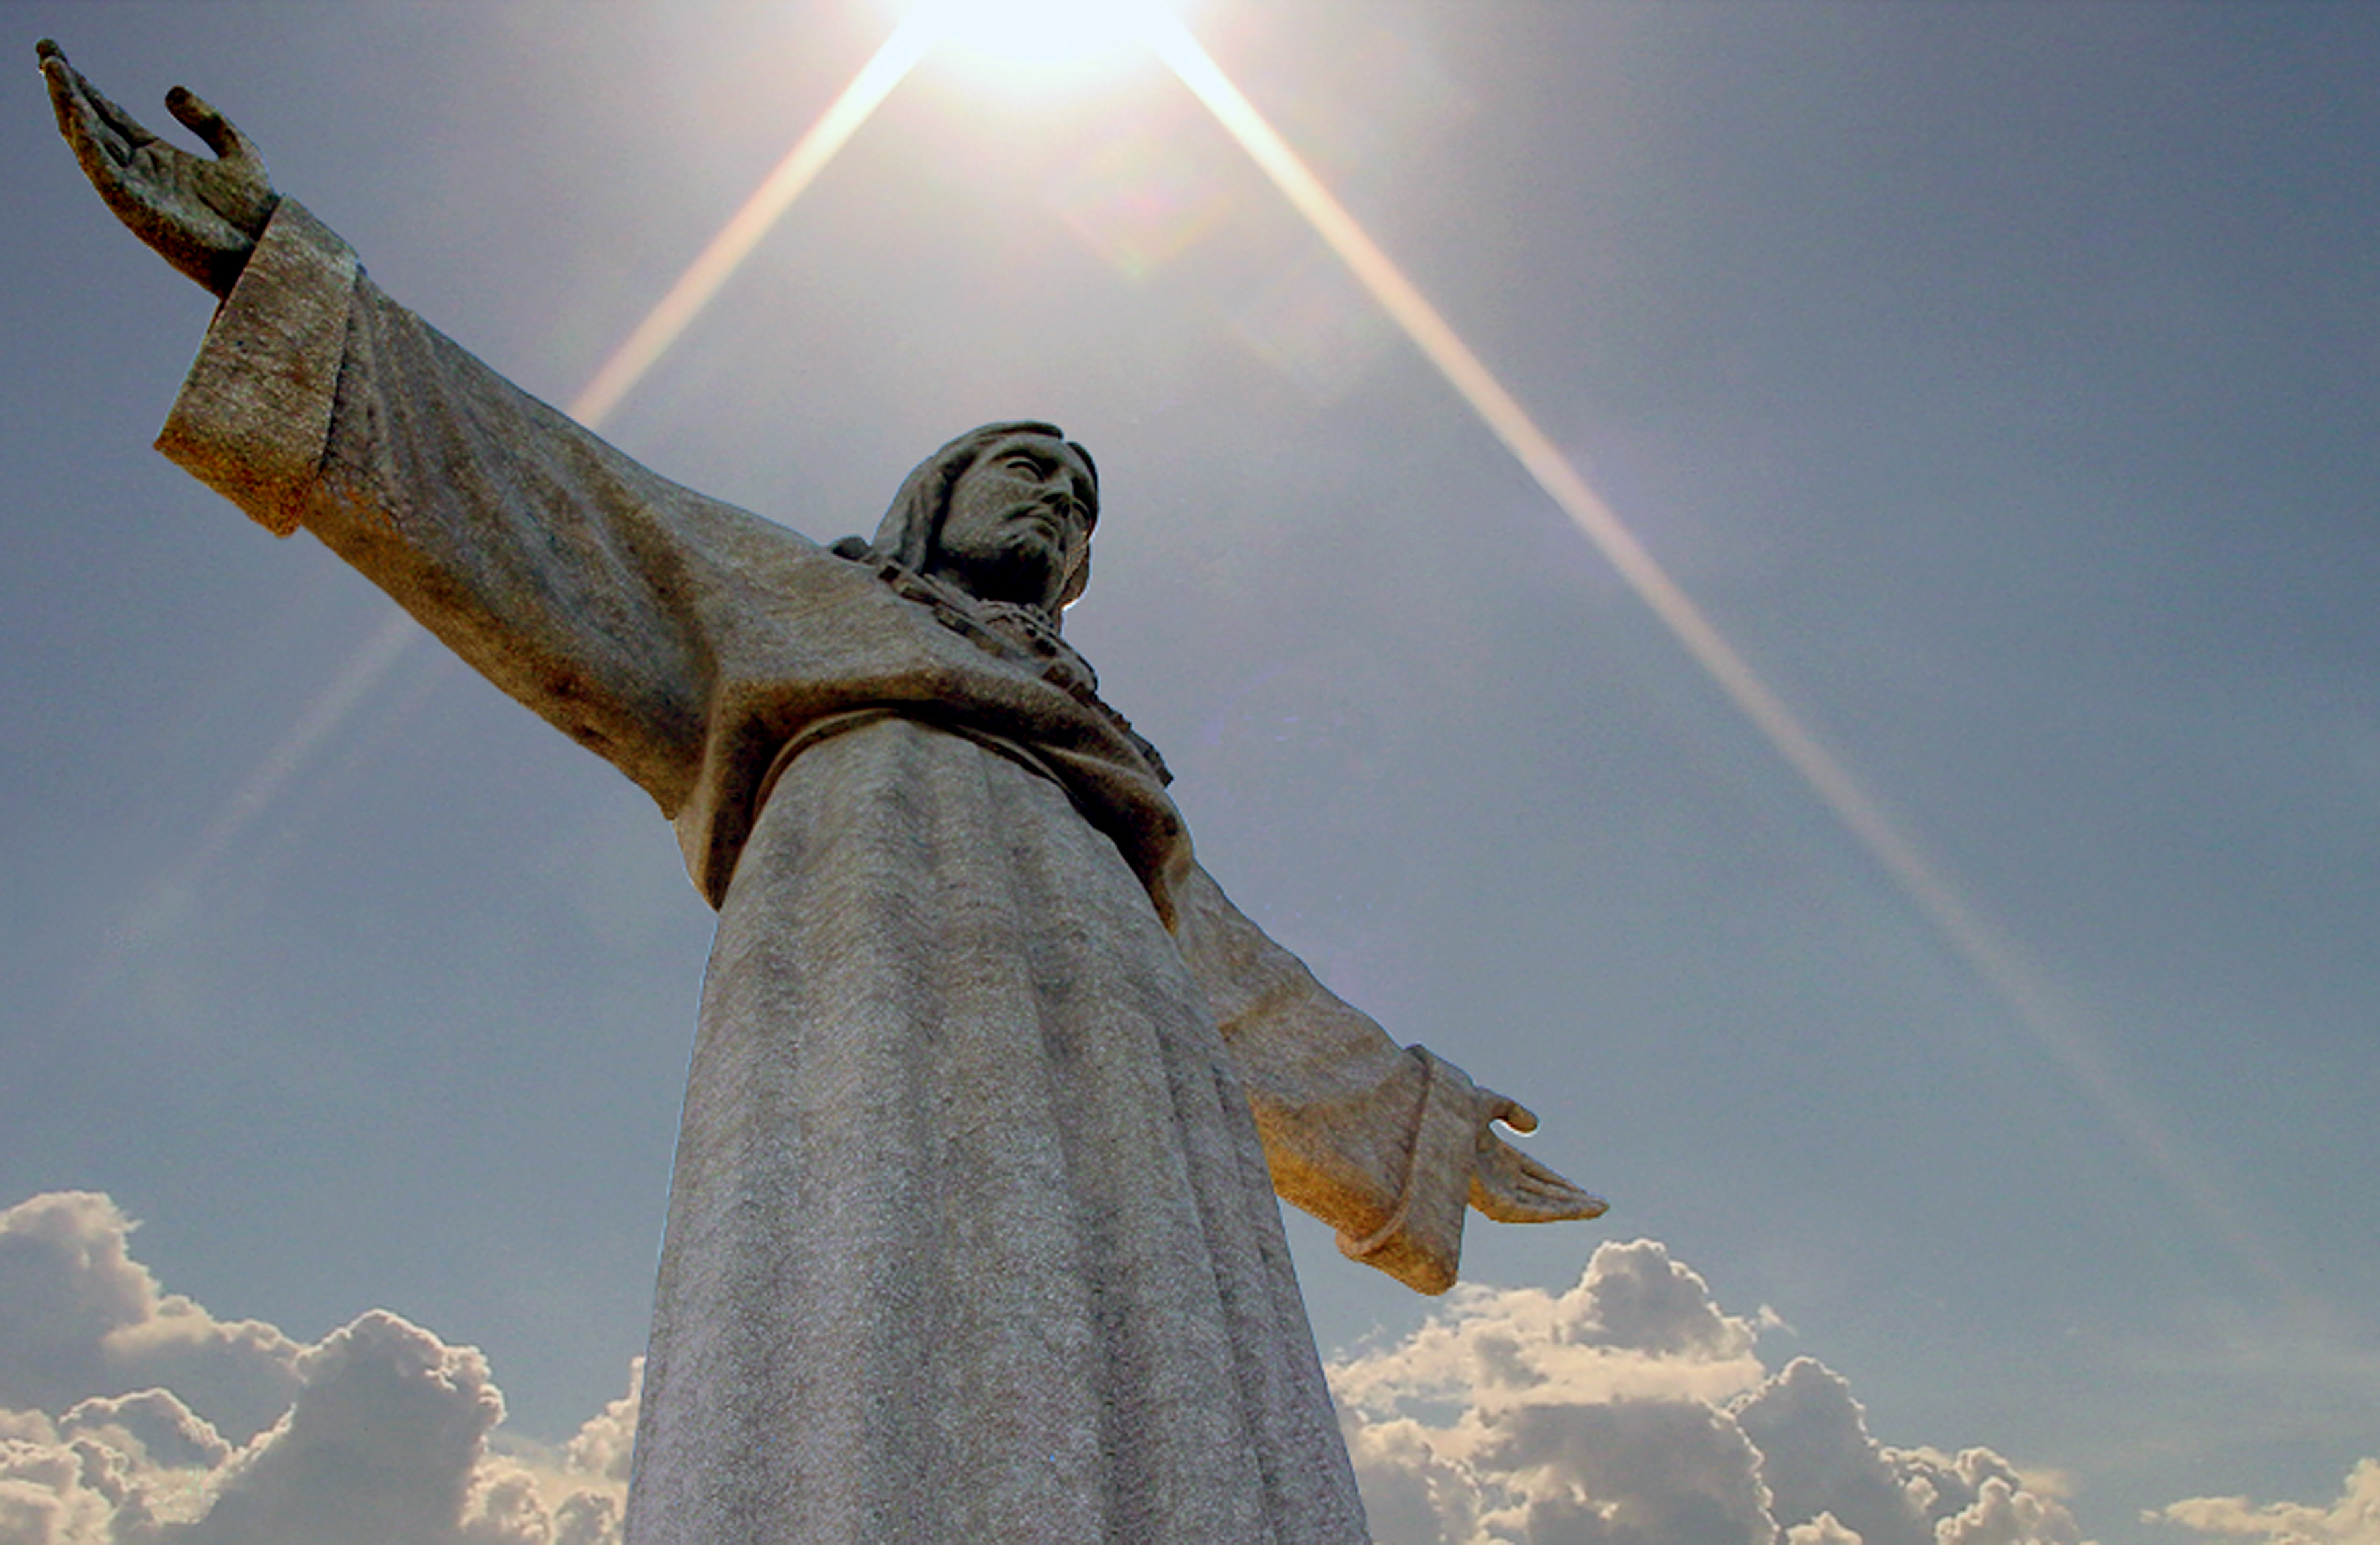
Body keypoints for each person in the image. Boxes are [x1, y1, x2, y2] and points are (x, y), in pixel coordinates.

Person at [38, 41, 1605, 1544]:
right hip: (865, 951)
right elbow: (551, 493)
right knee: (866, 1291)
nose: (1057, 503)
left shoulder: (1103, 773)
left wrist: (1413, 1121)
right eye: (1025, 469)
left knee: (1168, 1331)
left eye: (1080, 504)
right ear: (933, 495)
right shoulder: (788, 599)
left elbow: (1235, 977)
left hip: (1119, 1040)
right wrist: (280, 271)